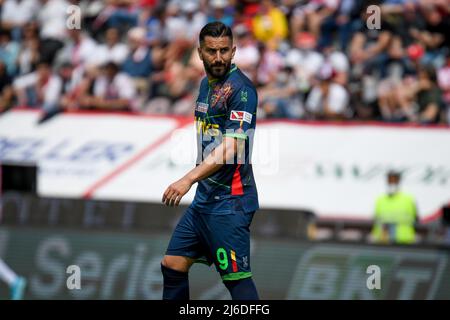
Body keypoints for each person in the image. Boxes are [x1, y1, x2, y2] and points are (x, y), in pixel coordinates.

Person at [160, 21, 259, 300]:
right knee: (173, 264)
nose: (218, 58)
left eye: (225, 51)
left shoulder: (242, 91)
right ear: (200, 52)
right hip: (205, 200)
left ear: (234, 51)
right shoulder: (206, 85)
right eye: (212, 51)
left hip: (230, 202)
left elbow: (230, 149)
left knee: (237, 280)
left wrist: (188, 178)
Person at [371, 170, 418, 244]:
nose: (392, 183)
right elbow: (376, 220)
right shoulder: (380, 200)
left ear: (399, 181)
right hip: (383, 241)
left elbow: (416, 219)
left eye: (395, 180)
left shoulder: (408, 199)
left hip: (404, 241)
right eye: (390, 180)